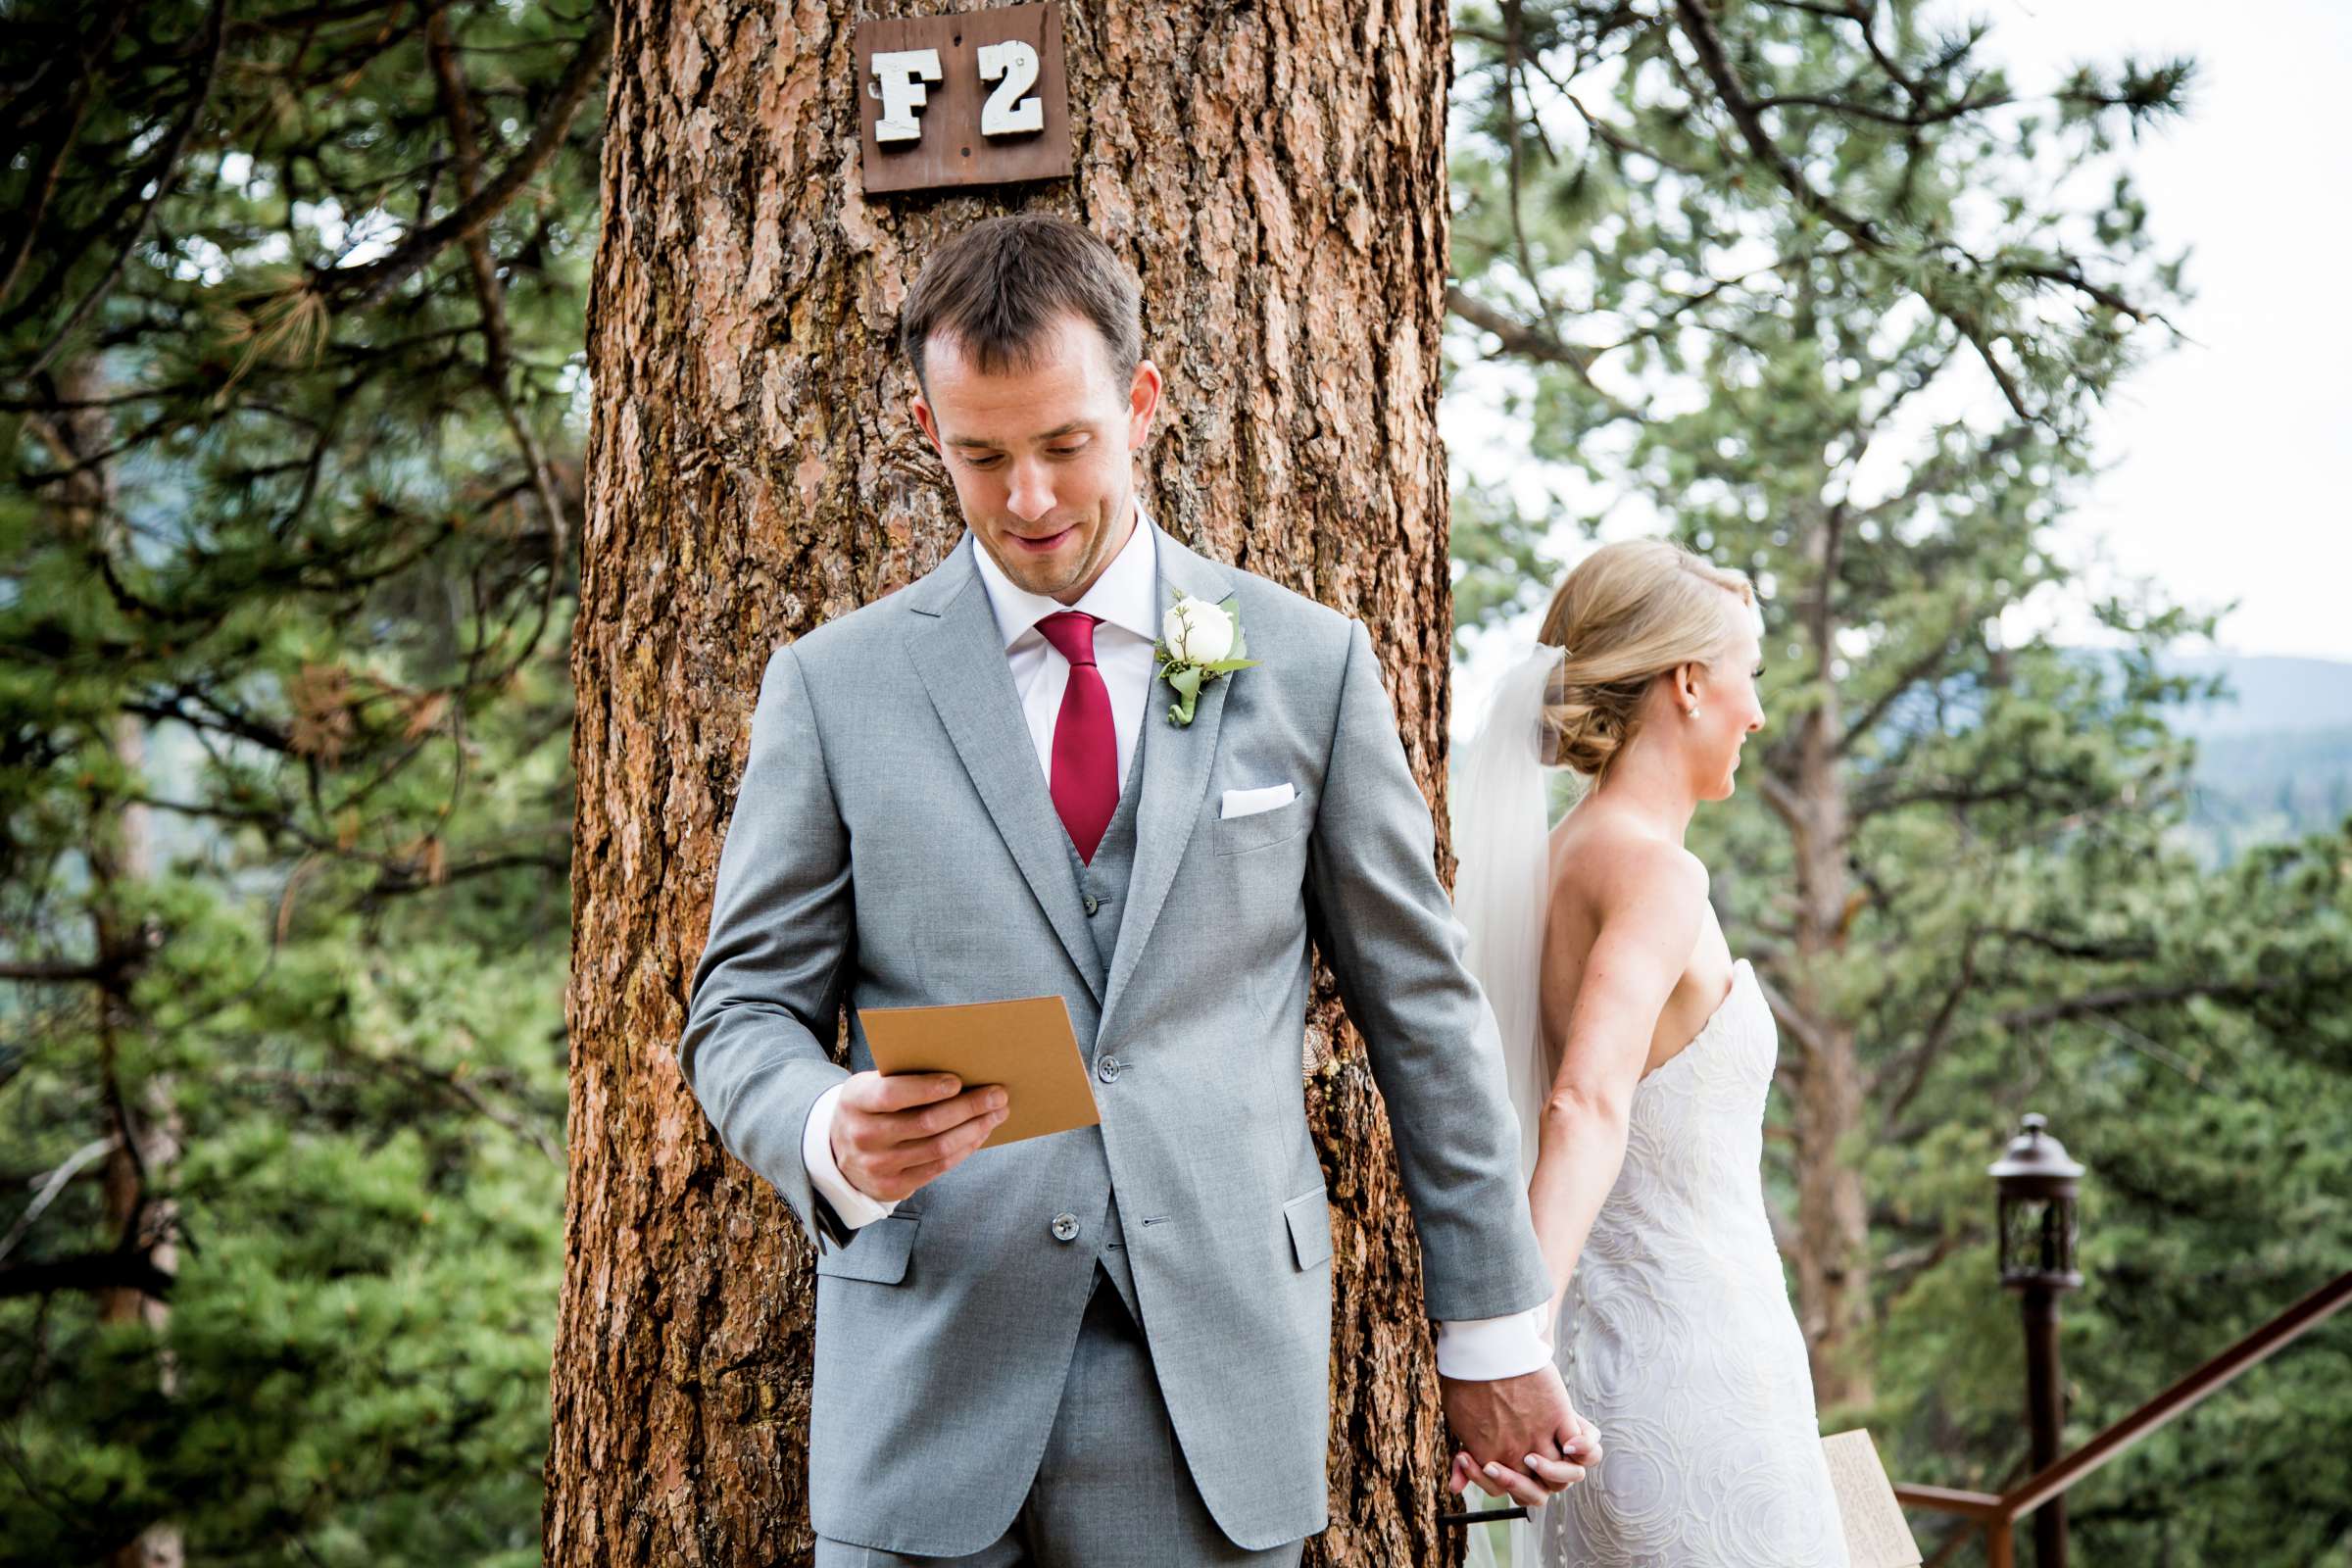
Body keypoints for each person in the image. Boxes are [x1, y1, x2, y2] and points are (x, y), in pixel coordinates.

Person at [676, 213, 1595, 1567]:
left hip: (1211, 1393)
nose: (1030, 499)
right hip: (924, 1394)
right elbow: (741, 1005)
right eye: (982, 455)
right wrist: (821, 1131)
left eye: (1065, 445)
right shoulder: (835, 689)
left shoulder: (1306, 666)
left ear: (1143, 406)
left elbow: (1428, 1020)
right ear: (931, 430)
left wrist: (1495, 1329)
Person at [1454, 539, 1850, 1566]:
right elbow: (1582, 1107)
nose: (1757, 712)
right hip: (1697, 1379)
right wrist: (1509, 1341)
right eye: (1748, 675)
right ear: (1687, 683)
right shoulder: (1659, 876)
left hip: (1610, 1368)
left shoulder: (1555, 864)